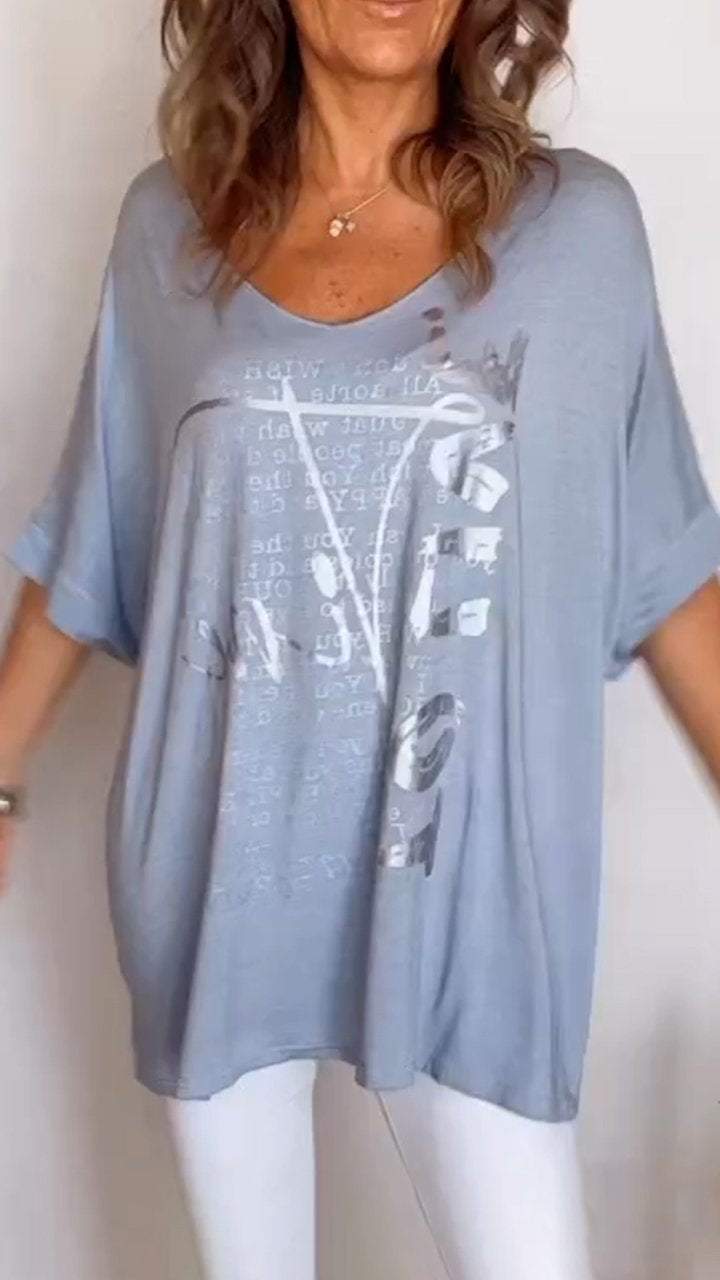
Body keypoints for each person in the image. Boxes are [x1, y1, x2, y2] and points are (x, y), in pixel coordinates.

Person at [2, 0, 720, 1276]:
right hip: (218, 883)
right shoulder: (168, 229)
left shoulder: (581, 232)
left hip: (474, 906)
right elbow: (94, 527)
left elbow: (670, 563)